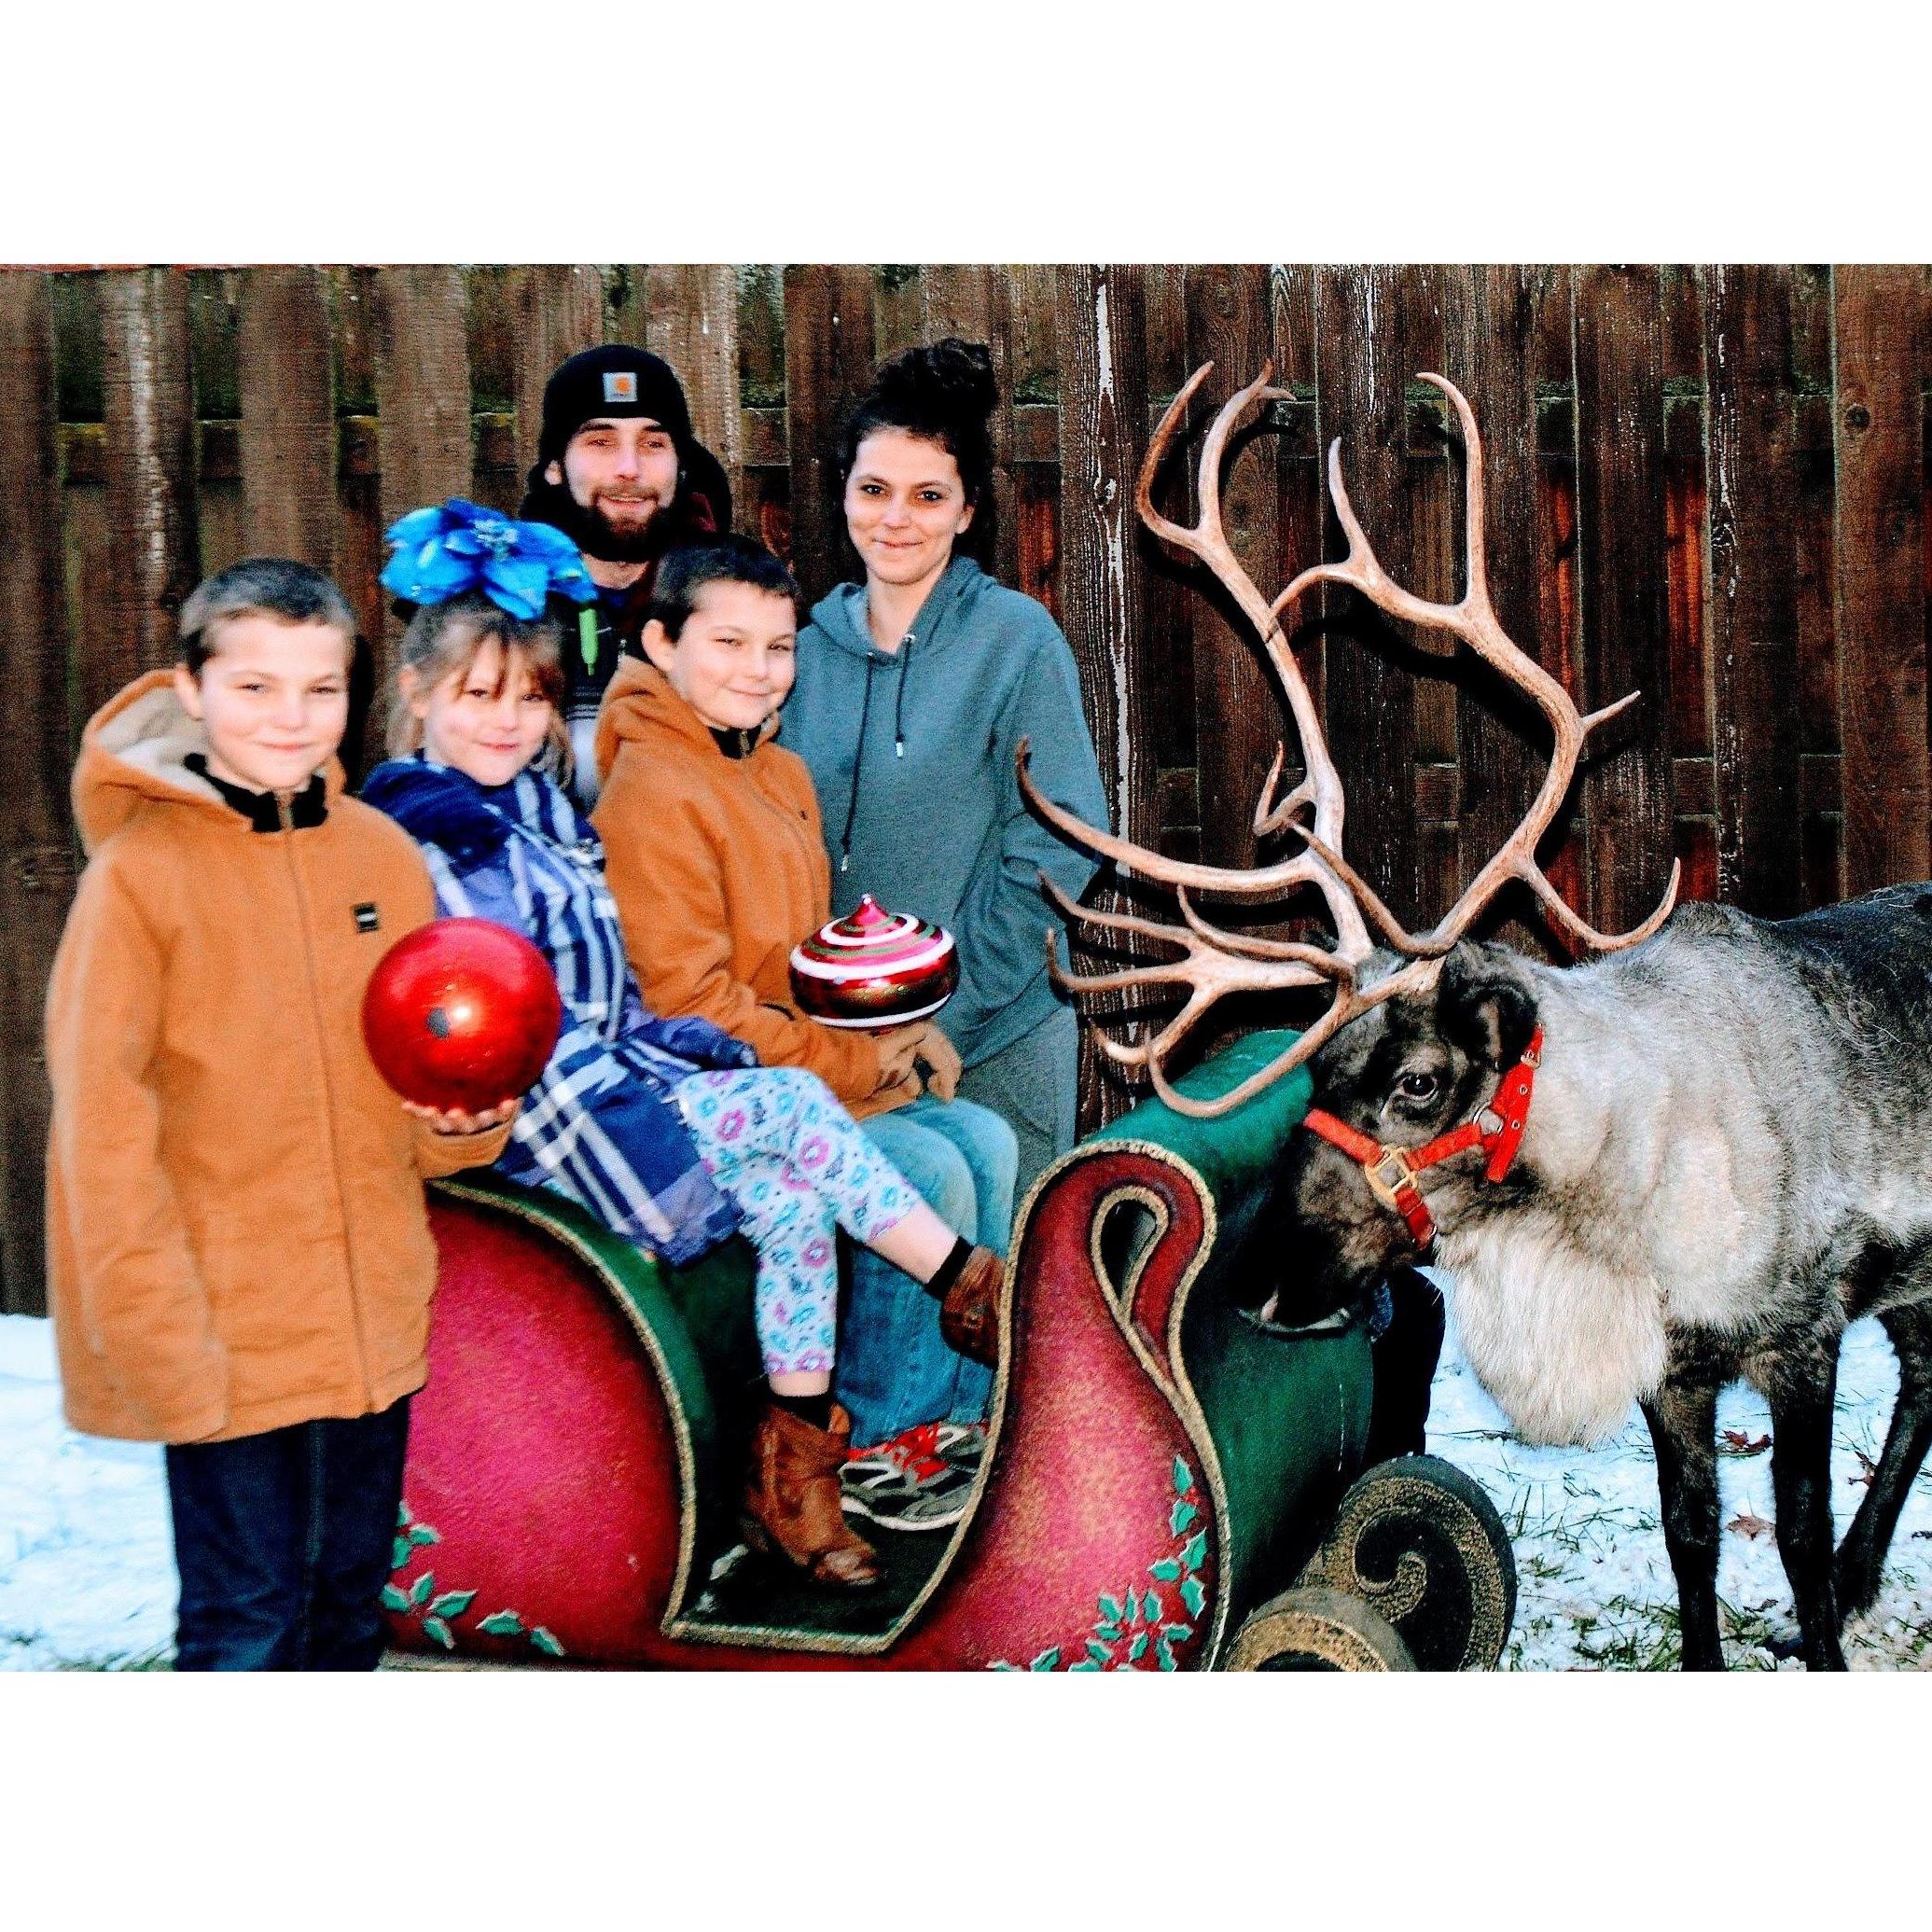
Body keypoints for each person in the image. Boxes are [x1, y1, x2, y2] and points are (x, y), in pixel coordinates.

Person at [364, 504, 1007, 1588]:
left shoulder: (540, 815)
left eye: (527, 696)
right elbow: (492, 1024)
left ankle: (794, 1473)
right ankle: (972, 1286)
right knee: (802, 1113)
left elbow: (626, 999)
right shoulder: (422, 841)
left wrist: (737, 1050)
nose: (507, 722)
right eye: (474, 696)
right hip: (550, 1118)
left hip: (624, 1070)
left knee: (801, 1201)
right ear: (418, 697)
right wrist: (759, 1067)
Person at [43, 558, 517, 1671]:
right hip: (220, 1337)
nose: (290, 718)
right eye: (254, 687)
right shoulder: (139, 881)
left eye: (320, 688)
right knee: (245, 1625)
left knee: (348, 1611)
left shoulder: (382, 857)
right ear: (192, 688)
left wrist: (460, 1124)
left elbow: (420, 1081)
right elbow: (102, 1135)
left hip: (367, 1329)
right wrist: (161, 1346)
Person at [591, 535, 1019, 1519]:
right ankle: (877, 1441)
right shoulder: (652, 790)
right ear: (661, 644)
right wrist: (855, 1062)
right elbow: (693, 1005)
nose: (758, 669)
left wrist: (899, 1031)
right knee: (931, 1172)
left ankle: (966, 1418)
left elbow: (803, 959)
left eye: (778, 648)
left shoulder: (777, 770)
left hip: (811, 1065)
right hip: (712, 1091)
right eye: (729, 643)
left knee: (985, 1138)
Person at [785, 340, 1109, 1202]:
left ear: (967, 511)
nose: (897, 518)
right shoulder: (797, 656)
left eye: (928, 495)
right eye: (874, 490)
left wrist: (941, 1013)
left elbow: (1058, 846)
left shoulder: (1015, 642)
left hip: (991, 1039)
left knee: (992, 1303)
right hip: (839, 1060)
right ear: (843, 496)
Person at [518, 344, 733, 808]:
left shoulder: (731, 608)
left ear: (682, 467)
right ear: (555, 466)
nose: (629, 469)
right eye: (600, 441)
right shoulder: (502, 616)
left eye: (654, 444)